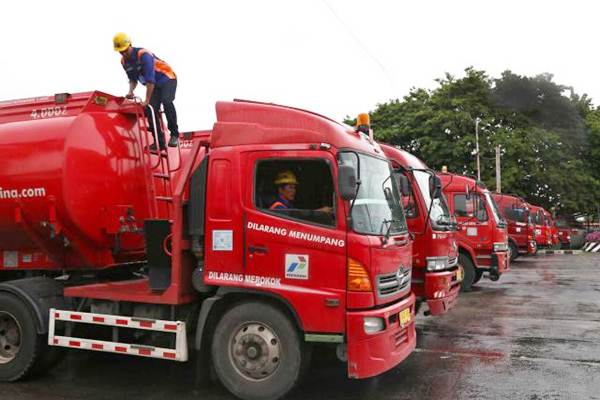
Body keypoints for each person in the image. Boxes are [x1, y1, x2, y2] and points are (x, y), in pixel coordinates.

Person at [113, 32, 179, 150]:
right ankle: (159, 143)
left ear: (130, 45)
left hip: (166, 78)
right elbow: (133, 79)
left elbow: (150, 80)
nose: (123, 53)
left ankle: (174, 135)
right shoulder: (124, 61)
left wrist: (147, 99)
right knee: (150, 109)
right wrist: (130, 92)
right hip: (154, 86)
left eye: (125, 50)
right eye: (120, 51)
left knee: (166, 101)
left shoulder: (143, 54)